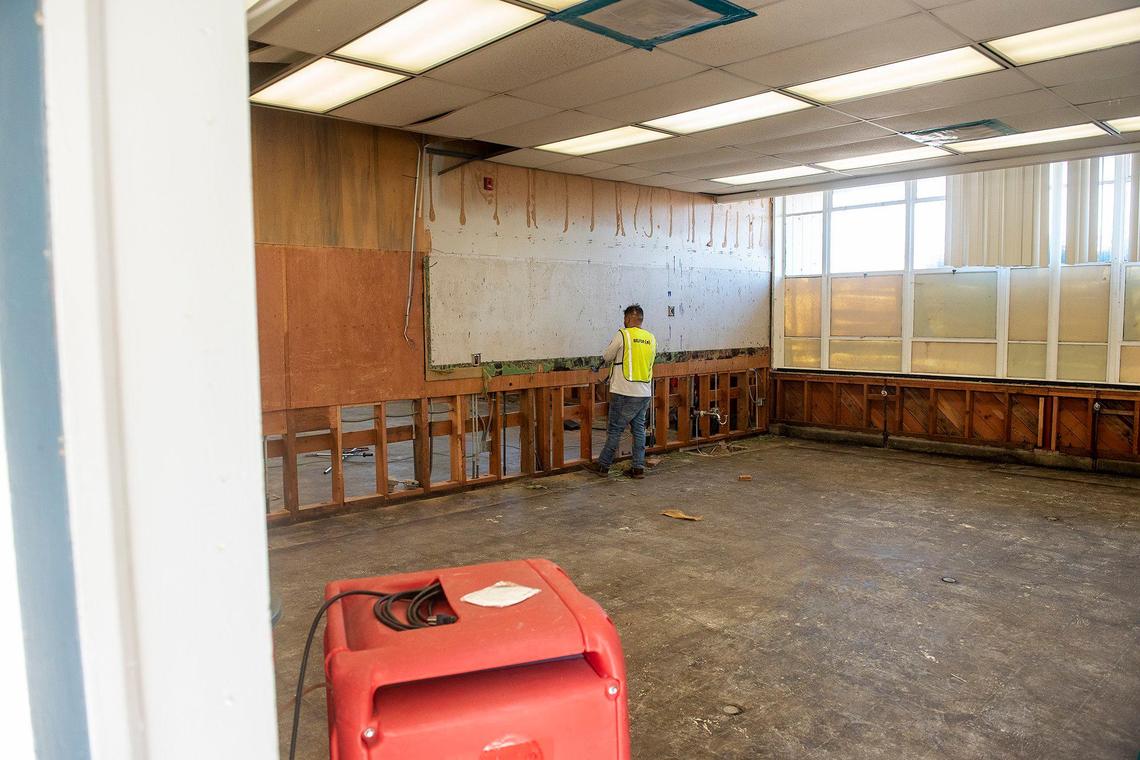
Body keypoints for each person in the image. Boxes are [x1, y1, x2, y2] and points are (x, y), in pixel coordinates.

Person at [588, 304, 657, 479]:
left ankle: (603, 466)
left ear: (627, 319)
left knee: (615, 430)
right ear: (641, 319)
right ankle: (638, 468)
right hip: (644, 392)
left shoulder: (623, 334)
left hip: (624, 391)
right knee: (639, 430)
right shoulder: (651, 338)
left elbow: (607, 356)